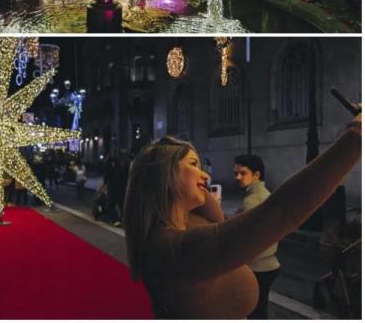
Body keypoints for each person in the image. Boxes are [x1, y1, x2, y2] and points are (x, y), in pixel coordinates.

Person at [123, 109, 360, 319]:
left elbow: (218, 221)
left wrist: (196, 189)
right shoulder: (177, 249)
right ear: (165, 175)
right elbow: (281, 211)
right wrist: (355, 138)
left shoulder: (183, 224)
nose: (205, 175)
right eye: (193, 165)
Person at [233, 154, 280, 319]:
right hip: (269, 264)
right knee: (260, 311)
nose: (238, 177)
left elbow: (236, 236)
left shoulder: (251, 202)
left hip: (256, 267)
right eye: (236, 173)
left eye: (242, 173)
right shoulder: (267, 195)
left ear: (257, 175)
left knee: (253, 313)